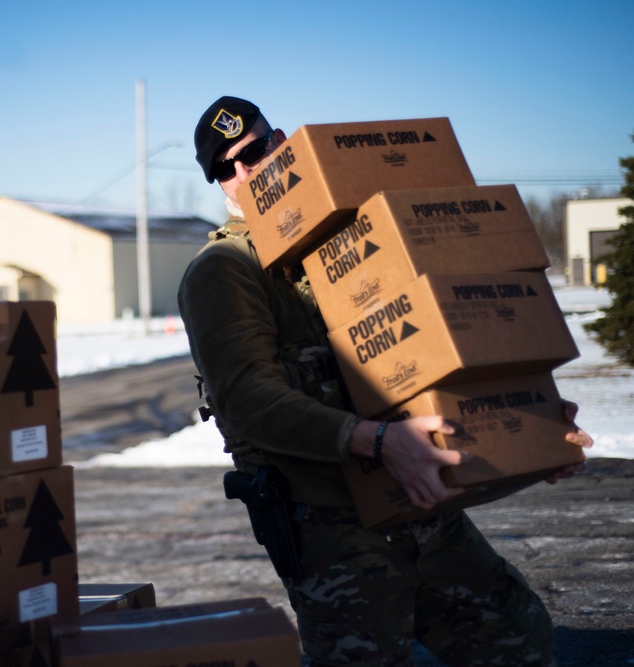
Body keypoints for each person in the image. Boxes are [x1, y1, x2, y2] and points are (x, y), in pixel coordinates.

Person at [177, 95, 594, 667]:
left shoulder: (351, 238)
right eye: (225, 169)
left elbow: (442, 345)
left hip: (425, 507)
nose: (244, 174)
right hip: (333, 536)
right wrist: (377, 441)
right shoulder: (225, 269)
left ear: (282, 143)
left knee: (521, 639)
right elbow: (248, 400)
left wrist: (533, 424)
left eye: (252, 152)